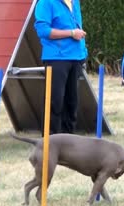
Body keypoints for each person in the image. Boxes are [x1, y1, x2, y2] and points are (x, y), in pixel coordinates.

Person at [34, 0, 88, 134]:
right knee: (55, 102)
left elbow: (78, 28)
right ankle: (49, 142)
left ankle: (69, 142)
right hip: (56, 58)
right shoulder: (46, 3)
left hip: (76, 58)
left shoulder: (75, 2)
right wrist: (71, 33)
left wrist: (83, 53)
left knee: (72, 103)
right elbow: (43, 31)